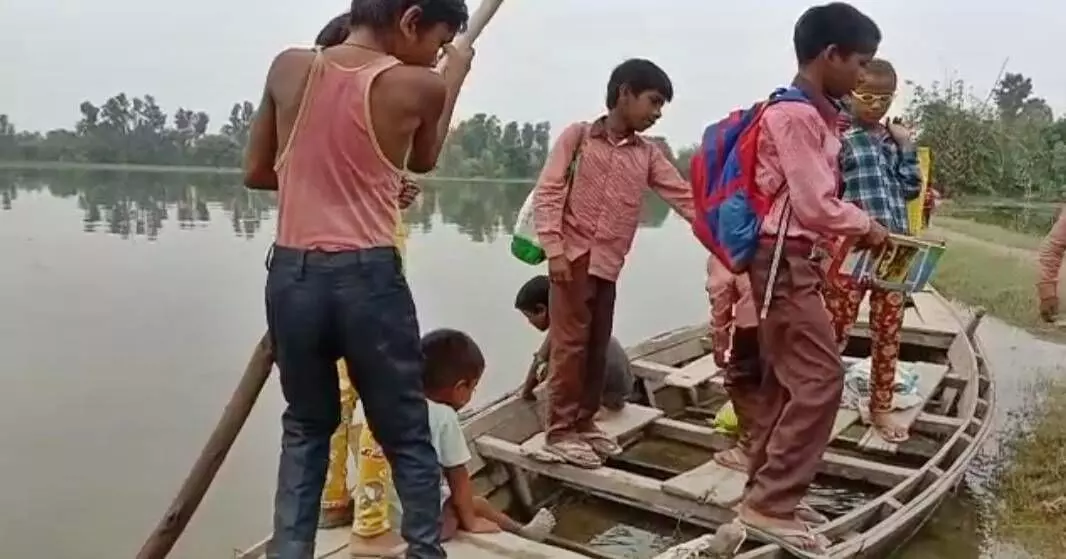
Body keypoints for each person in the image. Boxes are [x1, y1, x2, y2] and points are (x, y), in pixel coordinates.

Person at [242, 0, 473, 556]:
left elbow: (257, 171)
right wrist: (454, 77)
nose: (438, 54)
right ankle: (423, 551)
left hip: (293, 277)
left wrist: (331, 180)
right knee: (407, 435)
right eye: (439, 41)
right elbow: (422, 159)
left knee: (305, 428)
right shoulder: (421, 84)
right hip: (367, 279)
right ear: (412, 20)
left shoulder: (288, 67)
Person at [733, 4, 887, 556]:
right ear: (831, 56)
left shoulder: (817, 115)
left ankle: (764, 489)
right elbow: (816, 206)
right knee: (822, 381)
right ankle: (771, 503)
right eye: (861, 63)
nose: (864, 76)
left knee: (786, 381)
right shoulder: (794, 117)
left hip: (791, 260)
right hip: (784, 261)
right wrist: (866, 223)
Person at [531, 58, 696, 469]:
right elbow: (549, 192)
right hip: (572, 258)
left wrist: (728, 231)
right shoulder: (579, 137)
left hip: (608, 263)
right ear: (624, 94)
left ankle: (584, 421)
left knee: (595, 344)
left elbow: (684, 197)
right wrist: (553, 250)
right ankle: (560, 431)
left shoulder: (648, 154)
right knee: (568, 347)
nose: (657, 113)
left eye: (661, 106)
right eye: (653, 102)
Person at [311, 12, 423, 529]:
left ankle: (333, 503)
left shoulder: (321, 123)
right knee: (379, 397)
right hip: (367, 275)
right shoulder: (357, 115)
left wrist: (397, 189)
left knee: (333, 399)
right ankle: (370, 522)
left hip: (321, 276)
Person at [350, 329, 557, 556]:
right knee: (476, 503)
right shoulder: (443, 417)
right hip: (423, 527)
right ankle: (522, 531)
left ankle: (520, 529)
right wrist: (470, 521)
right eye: (473, 387)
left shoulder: (377, 405)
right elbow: (458, 477)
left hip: (379, 522)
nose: (472, 394)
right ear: (460, 388)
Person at [822, 58, 922, 444]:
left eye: (885, 97)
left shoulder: (890, 139)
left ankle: (880, 407)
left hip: (896, 248)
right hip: (854, 245)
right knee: (836, 328)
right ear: (850, 93)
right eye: (867, 95)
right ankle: (822, 404)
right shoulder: (838, 136)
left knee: (889, 330)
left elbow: (910, 188)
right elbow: (828, 194)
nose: (876, 104)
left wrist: (907, 145)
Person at [514, 275, 635, 412]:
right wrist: (527, 391)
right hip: (623, 387)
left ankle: (588, 413)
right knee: (551, 365)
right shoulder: (571, 318)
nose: (529, 323)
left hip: (608, 398)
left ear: (542, 309)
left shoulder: (565, 332)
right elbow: (540, 358)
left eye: (529, 317)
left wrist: (531, 387)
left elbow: (544, 366)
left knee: (554, 371)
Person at [705, 256, 759, 472]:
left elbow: (720, 293)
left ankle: (749, 450)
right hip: (796, 316)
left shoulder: (725, 248)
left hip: (757, 319)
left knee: (741, 382)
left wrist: (720, 342)